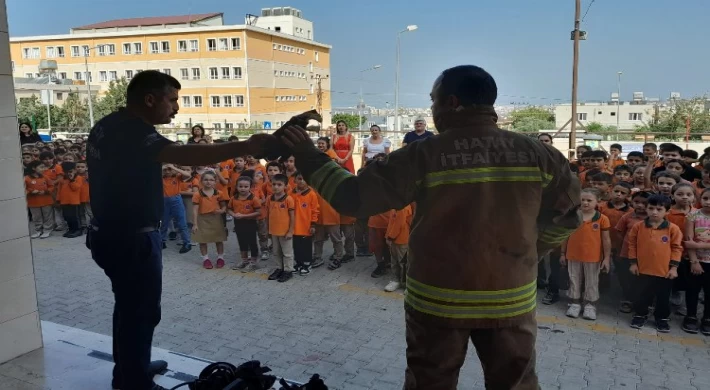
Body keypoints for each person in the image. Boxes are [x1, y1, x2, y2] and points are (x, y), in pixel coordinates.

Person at [275, 65, 581, 389]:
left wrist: (307, 155)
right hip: (511, 298)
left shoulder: (423, 155)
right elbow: (568, 217)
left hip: (437, 301)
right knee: (516, 383)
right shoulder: (541, 155)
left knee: (429, 382)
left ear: (451, 103)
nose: (431, 110)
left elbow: (352, 198)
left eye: (432, 101)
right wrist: (529, 253)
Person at [86, 70, 275, 390]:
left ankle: (131, 369)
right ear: (149, 99)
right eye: (172, 100)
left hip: (107, 233)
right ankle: (133, 383)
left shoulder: (106, 125)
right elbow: (185, 154)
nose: (176, 107)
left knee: (128, 308)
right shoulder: (136, 133)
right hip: (131, 239)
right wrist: (247, 144)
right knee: (141, 313)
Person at [628, 194, 682, 332]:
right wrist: (633, 263)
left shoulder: (672, 229)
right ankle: (640, 314)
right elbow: (632, 244)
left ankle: (661, 318)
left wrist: (673, 268)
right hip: (643, 269)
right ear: (646, 209)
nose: (654, 212)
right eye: (651, 208)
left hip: (664, 271)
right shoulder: (638, 227)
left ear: (667, 211)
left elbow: (677, 248)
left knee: (663, 297)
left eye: (659, 209)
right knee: (642, 294)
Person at [560, 188, 611, 320]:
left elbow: (606, 240)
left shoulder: (602, 219)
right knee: (574, 279)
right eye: (582, 200)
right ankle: (574, 303)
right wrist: (562, 253)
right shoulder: (572, 216)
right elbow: (565, 236)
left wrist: (606, 258)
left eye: (589, 200)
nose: (585, 203)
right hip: (573, 255)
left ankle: (590, 306)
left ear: (597, 201)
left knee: (592, 281)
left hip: (593, 258)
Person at [614, 191, 651, 313]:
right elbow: (619, 233)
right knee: (627, 278)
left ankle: (641, 300)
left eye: (644, 203)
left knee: (641, 279)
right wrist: (619, 250)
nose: (640, 205)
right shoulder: (627, 217)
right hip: (627, 254)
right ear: (631, 202)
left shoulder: (653, 219)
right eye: (636, 202)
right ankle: (628, 300)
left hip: (645, 256)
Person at [683, 187, 710, 335]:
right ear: (700, 199)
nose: (708, 202)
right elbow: (688, 240)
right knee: (692, 291)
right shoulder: (692, 216)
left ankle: (707, 318)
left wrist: (699, 245)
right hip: (695, 261)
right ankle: (691, 316)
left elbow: (694, 243)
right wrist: (694, 261)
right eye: (705, 198)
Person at [191, 171, 229, 269]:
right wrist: (195, 224)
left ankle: (220, 257)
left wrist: (221, 211)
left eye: (211, 180)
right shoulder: (197, 194)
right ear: (202, 181)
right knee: (202, 240)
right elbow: (195, 210)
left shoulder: (219, 193)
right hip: (202, 219)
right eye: (206, 179)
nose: (208, 182)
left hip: (216, 218)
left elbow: (224, 206)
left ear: (215, 181)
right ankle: (205, 259)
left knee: (219, 239)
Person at [266, 174, 295, 283]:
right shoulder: (270, 198)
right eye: (274, 184)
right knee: (276, 251)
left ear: (285, 186)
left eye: (279, 184)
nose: (276, 187)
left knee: (287, 253)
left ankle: (288, 270)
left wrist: (290, 231)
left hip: (285, 232)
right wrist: (268, 229)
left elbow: (292, 216)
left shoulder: (288, 199)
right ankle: (279, 268)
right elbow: (268, 214)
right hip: (274, 231)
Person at [229, 176, 262, 272]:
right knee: (241, 241)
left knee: (252, 242)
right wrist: (233, 214)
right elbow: (229, 209)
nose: (243, 188)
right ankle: (244, 260)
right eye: (240, 186)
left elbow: (258, 212)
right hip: (238, 223)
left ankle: (253, 262)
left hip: (250, 223)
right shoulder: (233, 198)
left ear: (250, 187)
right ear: (237, 187)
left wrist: (244, 216)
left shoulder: (253, 198)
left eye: (246, 186)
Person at [291, 171, 319, 275]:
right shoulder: (291, 193)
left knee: (306, 246)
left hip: (306, 227)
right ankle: (298, 262)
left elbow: (315, 210)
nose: (301, 181)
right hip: (294, 226)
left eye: (304, 179)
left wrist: (313, 224)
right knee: (296, 246)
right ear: (295, 180)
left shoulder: (312, 194)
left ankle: (307, 264)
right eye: (299, 179)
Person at [161, 164, 193, 254]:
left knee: (181, 222)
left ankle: (186, 243)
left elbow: (188, 175)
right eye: (165, 170)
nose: (167, 172)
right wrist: (161, 168)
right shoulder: (161, 178)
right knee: (164, 222)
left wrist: (174, 168)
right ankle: (162, 241)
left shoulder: (178, 177)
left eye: (169, 170)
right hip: (164, 200)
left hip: (176, 200)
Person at [384, 204, 413, 292]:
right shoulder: (395, 206)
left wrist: (391, 236)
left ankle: (406, 284)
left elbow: (399, 223)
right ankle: (396, 280)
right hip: (394, 239)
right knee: (394, 261)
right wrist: (388, 236)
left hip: (402, 239)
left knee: (403, 263)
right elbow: (391, 222)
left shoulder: (403, 207)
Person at [24, 161, 54, 239]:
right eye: (41, 167)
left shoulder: (45, 177)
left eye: (43, 167)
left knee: (47, 216)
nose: (43, 169)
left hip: (46, 201)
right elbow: (23, 189)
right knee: (36, 217)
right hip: (33, 202)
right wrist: (31, 191)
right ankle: (38, 230)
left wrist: (46, 191)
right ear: (34, 168)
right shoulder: (26, 178)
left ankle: (47, 230)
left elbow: (51, 186)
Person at [57, 161, 84, 238]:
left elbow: (76, 188)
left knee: (75, 217)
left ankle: (78, 230)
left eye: (70, 171)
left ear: (75, 170)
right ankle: (71, 229)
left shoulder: (78, 178)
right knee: (67, 217)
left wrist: (71, 180)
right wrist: (58, 199)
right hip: (64, 201)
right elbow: (59, 190)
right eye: (66, 171)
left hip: (74, 202)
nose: (68, 173)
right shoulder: (62, 179)